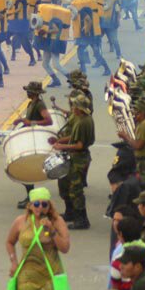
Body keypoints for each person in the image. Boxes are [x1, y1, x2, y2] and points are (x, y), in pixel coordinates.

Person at [5, 188, 71, 290]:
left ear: (50, 206)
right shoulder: (21, 221)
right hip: (26, 280)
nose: (40, 207)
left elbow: (65, 248)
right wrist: (13, 261)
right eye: (36, 204)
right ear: (30, 205)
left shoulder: (56, 222)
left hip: (49, 279)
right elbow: (10, 242)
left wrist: (51, 230)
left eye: (44, 204)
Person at [51, 94, 95, 229]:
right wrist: (60, 140)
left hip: (78, 159)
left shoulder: (83, 122)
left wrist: (61, 146)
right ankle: (70, 213)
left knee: (76, 190)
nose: (73, 108)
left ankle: (82, 220)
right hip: (74, 157)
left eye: (75, 106)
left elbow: (80, 145)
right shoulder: (81, 119)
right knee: (64, 184)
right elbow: (73, 137)